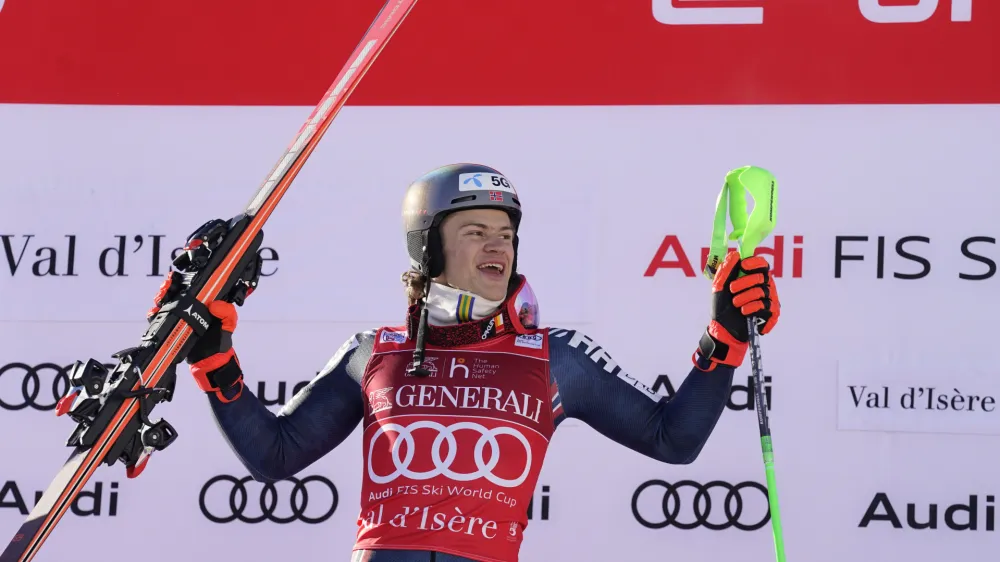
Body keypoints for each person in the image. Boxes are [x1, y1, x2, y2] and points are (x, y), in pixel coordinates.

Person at [148, 163, 781, 562]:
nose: (497, 245)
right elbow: (275, 455)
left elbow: (674, 440)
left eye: (506, 233)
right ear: (429, 247)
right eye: (476, 231)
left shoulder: (556, 357)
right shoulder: (376, 352)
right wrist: (215, 359)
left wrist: (723, 341)